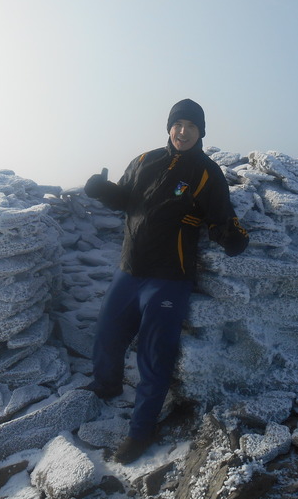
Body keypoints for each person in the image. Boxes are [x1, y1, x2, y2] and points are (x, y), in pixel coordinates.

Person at [82, 98, 249, 464]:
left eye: (191, 125)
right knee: (108, 335)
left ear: (201, 132)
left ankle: (141, 431)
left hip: (169, 277)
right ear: (169, 127)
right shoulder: (144, 160)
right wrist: (102, 189)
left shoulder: (206, 172)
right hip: (130, 269)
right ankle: (106, 387)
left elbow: (221, 217)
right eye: (178, 124)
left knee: (154, 356)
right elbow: (126, 198)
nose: (183, 131)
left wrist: (233, 237)